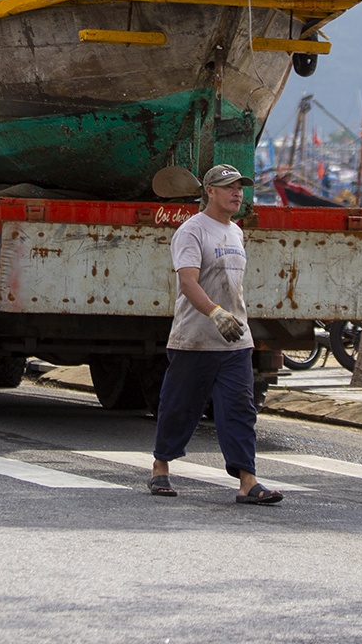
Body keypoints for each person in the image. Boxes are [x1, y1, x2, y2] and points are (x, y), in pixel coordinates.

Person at [149, 163, 281, 505]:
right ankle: (160, 466)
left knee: (240, 409)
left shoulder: (236, 233)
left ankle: (247, 481)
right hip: (194, 339)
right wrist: (214, 313)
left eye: (240, 187)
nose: (237, 193)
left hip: (236, 339)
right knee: (179, 407)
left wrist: (230, 318)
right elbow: (188, 281)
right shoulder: (192, 231)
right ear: (210, 191)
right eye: (229, 187)